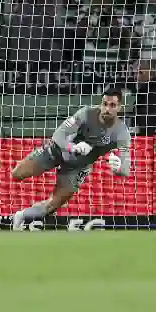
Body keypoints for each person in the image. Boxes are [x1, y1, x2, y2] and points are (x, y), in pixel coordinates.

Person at [9, 89, 132, 230]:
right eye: (105, 104)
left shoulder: (122, 133)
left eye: (112, 105)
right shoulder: (86, 113)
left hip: (77, 167)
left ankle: (21, 215)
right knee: (16, 173)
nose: (107, 109)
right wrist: (72, 147)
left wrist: (118, 169)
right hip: (56, 151)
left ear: (119, 107)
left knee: (52, 205)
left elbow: (126, 169)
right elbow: (58, 135)